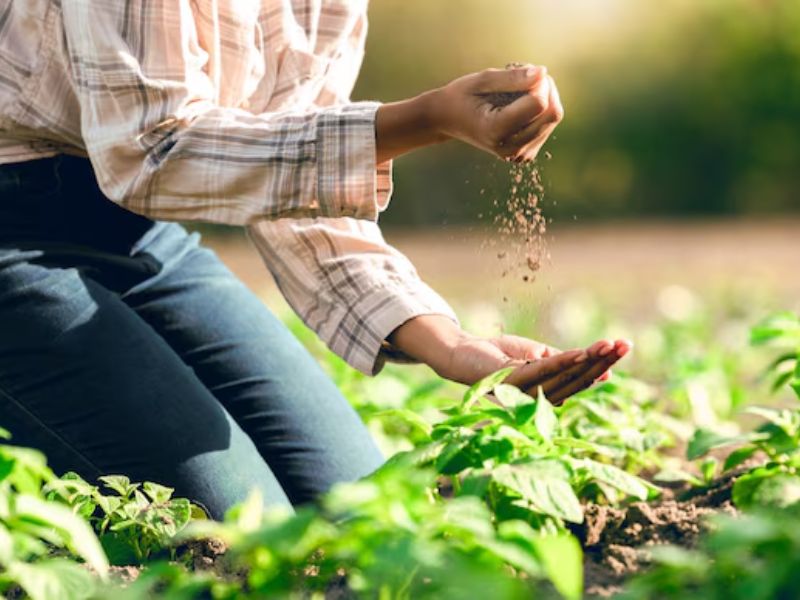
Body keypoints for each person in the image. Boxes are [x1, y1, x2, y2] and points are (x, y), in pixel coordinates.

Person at [0, 1, 630, 520]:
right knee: (237, 532)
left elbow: (298, 177)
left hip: (140, 236)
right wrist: (425, 120)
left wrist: (450, 344)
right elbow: (153, 151)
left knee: (359, 512)